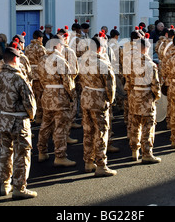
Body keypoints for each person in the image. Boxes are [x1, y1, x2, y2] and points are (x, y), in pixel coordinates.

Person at [0, 43, 37, 199]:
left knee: (5, 153)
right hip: (19, 120)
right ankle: (19, 187)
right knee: (22, 154)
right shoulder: (19, 77)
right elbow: (30, 102)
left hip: (4, 118)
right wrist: (32, 116)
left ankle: (5, 184)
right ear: (15, 59)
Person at [37, 35, 77, 167]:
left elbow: (41, 79)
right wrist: (72, 96)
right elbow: (67, 81)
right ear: (57, 46)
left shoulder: (42, 59)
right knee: (60, 127)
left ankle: (42, 151)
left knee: (45, 125)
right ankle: (60, 156)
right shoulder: (59, 60)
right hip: (59, 97)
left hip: (47, 94)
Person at [79, 36, 116, 176]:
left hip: (86, 97)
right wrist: (110, 101)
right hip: (98, 100)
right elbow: (110, 87)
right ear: (101, 48)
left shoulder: (83, 60)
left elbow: (79, 79)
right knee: (101, 132)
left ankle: (88, 161)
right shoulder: (103, 63)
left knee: (88, 131)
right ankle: (101, 164)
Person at [127, 36, 161, 163]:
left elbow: (128, 83)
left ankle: (134, 150)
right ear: (146, 49)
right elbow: (155, 85)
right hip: (146, 98)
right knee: (147, 127)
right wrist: (156, 97)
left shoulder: (131, 64)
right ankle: (147, 153)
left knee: (135, 125)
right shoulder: (151, 65)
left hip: (134, 96)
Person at [24, 30, 47, 125]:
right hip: (39, 75)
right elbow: (44, 62)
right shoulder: (41, 48)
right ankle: (39, 116)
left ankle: (31, 115)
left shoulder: (27, 47)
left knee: (31, 96)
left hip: (30, 75)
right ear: (39, 38)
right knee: (40, 97)